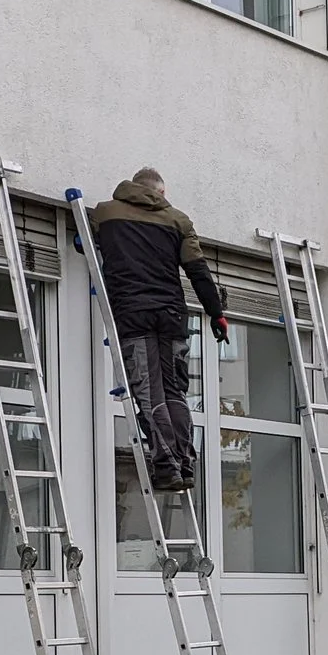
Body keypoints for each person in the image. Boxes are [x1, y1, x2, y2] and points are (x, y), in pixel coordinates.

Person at [87, 166, 228, 491]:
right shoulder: (178, 220)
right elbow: (198, 271)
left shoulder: (105, 213)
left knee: (150, 392)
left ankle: (166, 467)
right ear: (161, 192)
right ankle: (185, 464)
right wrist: (216, 314)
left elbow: (86, 245)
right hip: (172, 317)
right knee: (174, 391)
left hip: (133, 314)